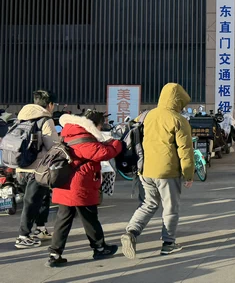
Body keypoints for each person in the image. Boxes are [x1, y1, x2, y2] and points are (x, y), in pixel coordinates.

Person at [120, 83, 194, 259]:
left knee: (148, 204)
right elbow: (185, 150)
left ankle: (131, 232)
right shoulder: (178, 120)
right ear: (178, 101)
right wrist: (188, 174)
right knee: (170, 207)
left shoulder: (145, 116)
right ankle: (168, 244)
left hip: (145, 169)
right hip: (168, 172)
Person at [47, 112, 123, 267]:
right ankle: (99, 248)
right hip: (79, 185)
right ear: (95, 124)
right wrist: (116, 143)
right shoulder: (83, 137)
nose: (102, 127)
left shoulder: (69, 132)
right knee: (89, 218)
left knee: (63, 220)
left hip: (65, 184)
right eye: (101, 124)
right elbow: (104, 153)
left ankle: (55, 254)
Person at [15, 90, 58, 249]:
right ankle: (23, 236)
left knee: (42, 197)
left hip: (20, 168)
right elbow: (53, 146)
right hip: (37, 170)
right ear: (50, 104)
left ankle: (40, 228)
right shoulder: (45, 120)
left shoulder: (21, 118)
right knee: (31, 202)